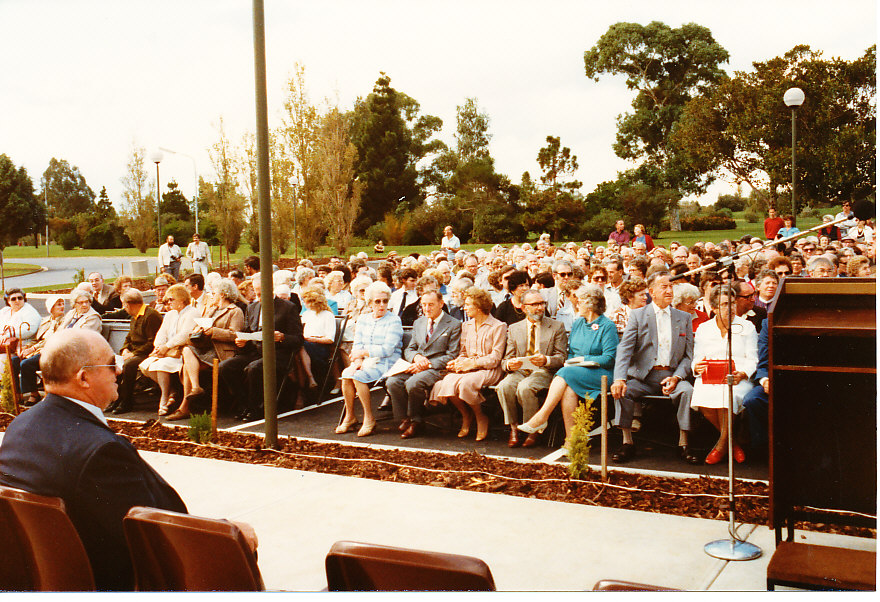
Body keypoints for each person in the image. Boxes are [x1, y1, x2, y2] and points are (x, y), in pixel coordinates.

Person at [0, 330, 188, 590]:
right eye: (112, 365)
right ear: (83, 378)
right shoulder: (101, 451)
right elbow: (161, 533)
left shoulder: (20, 426)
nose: (119, 371)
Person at [610, 271, 699, 465]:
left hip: (673, 377)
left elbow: (688, 356)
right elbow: (625, 349)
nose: (669, 291)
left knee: (687, 391)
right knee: (623, 391)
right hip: (644, 378)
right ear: (652, 292)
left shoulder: (684, 317)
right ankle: (627, 442)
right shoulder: (638, 315)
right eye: (664, 287)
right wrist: (619, 379)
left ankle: (684, 443)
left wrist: (676, 378)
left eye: (671, 286)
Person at [518, 284, 618, 443]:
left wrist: (582, 361)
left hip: (601, 374)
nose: (577, 304)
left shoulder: (607, 326)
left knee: (565, 373)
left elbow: (609, 358)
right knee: (568, 389)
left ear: (590, 305)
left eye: (580, 301)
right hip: (576, 373)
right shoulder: (578, 323)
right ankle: (571, 439)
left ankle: (542, 416)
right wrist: (572, 362)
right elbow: (571, 352)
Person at [220, 277, 304, 422]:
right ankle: (244, 403)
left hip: (277, 353)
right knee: (225, 367)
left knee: (254, 368)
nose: (259, 298)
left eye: (261, 294)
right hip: (255, 351)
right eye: (256, 294)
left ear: (271, 289)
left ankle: (255, 408)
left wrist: (282, 337)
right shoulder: (252, 307)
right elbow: (248, 332)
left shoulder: (288, 307)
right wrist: (242, 341)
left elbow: (298, 339)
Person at [690, 286, 758, 464]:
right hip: (710, 377)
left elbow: (753, 359)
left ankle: (720, 447)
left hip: (737, 377)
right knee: (701, 396)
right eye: (725, 304)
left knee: (728, 396)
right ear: (714, 308)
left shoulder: (747, 327)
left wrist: (742, 374)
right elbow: (697, 357)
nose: (731, 307)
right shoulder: (704, 328)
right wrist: (697, 366)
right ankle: (732, 444)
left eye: (733, 303)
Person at [430, 287, 507, 442]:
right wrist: (457, 362)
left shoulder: (498, 326)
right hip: (469, 367)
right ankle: (466, 415)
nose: (464, 307)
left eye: (468, 304)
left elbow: (495, 358)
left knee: (465, 384)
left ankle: (480, 416)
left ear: (478, 307)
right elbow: (464, 352)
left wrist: (472, 364)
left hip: (489, 369)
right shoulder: (466, 325)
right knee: (447, 381)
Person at [497, 289, 568, 448]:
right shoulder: (514, 328)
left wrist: (546, 360)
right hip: (521, 370)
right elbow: (506, 359)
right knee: (504, 386)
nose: (540, 307)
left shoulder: (556, 326)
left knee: (526, 387)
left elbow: (562, 358)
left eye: (542, 303)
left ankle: (533, 429)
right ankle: (514, 428)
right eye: (535, 304)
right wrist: (509, 365)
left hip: (544, 371)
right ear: (524, 308)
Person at [387, 290, 462, 439]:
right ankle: (406, 418)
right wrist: (416, 357)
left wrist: (426, 364)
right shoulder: (419, 322)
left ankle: (416, 421)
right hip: (418, 364)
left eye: (431, 305)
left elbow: (452, 355)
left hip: (438, 368)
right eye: (424, 305)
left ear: (441, 304)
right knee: (393, 382)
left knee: (414, 383)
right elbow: (410, 349)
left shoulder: (454, 324)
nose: (427, 308)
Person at [336, 282, 403, 437]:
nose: (382, 305)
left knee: (358, 376)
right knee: (347, 373)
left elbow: (387, 349)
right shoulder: (363, 319)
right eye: (377, 301)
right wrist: (358, 361)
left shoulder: (394, 320)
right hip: (366, 361)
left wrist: (363, 353)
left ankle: (369, 418)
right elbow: (357, 344)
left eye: (385, 301)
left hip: (388, 362)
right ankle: (350, 416)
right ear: (370, 302)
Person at [176, 278, 245, 419]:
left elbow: (235, 334)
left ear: (223, 294)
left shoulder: (235, 311)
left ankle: (185, 406)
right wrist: (198, 330)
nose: (212, 295)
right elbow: (201, 326)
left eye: (214, 293)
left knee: (187, 367)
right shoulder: (212, 310)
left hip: (221, 351)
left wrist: (214, 331)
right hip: (206, 348)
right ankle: (196, 388)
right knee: (187, 350)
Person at [139, 284, 197, 417]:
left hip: (182, 352)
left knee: (161, 365)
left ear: (181, 300)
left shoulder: (192, 312)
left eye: (171, 299)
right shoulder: (171, 314)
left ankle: (164, 397)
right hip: (166, 351)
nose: (168, 302)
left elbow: (185, 335)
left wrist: (167, 347)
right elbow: (161, 333)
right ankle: (171, 391)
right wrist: (159, 347)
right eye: (168, 300)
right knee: (145, 366)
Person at [106, 289, 163, 415]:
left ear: (129, 304)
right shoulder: (134, 316)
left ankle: (127, 401)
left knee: (129, 365)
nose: (124, 308)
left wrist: (133, 353)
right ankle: (117, 398)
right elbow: (129, 337)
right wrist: (125, 349)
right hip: (136, 352)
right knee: (113, 362)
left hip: (148, 353)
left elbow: (152, 342)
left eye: (124, 305)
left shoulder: (151, 316)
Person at [17, 295, 66, 406]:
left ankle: (34, 394)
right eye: (58, 305)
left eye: (62, 304)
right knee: (15, 361)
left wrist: (33, 348)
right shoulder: (45, 321)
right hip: (37, 349)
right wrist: (26, 347)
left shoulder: (64, 321)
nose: (62, 307)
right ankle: (17, 394)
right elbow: (36, 339)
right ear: (51, 307)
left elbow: (53, 338)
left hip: (49, 350)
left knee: (26, 364)